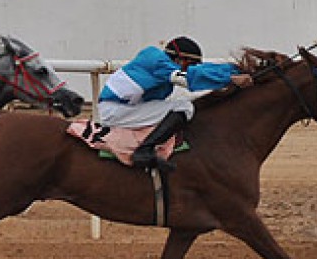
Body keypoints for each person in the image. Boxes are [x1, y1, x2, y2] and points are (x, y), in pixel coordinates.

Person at [97, 36, 253, 170]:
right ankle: (144, 151)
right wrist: (229, 79)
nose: (190, 68)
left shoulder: (161, 61)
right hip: (115, 111)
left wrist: (234, 71)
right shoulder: (158, 63)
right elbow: (188, 76)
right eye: (189, 64)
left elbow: (201, 69)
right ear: (179, 59)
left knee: (179, 104)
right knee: (184, 107)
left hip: (124, 108)